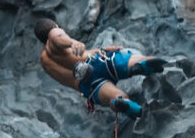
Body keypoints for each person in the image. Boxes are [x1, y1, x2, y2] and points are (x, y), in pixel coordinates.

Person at [34, 18, 165, 117]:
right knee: (128, 61)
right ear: (54, 26)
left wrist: (101, 49)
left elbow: (80, 56)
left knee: (114, 96)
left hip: (86, 84)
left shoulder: (45, 63)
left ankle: (120, 102)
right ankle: (138, 65)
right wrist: (73, 42)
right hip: (96, 63)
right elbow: (56, 36)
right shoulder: (53, 40)